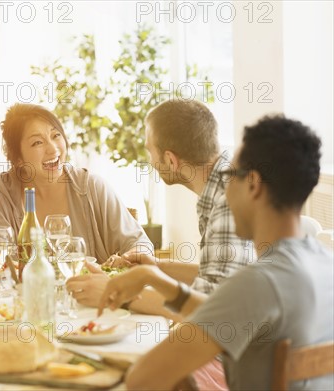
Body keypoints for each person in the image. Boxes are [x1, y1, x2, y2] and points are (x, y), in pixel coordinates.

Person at [98, 115, 333, 390]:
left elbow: (142, 380)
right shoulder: (323, 262)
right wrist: (157, 278)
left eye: (230, 175)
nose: (225, 189)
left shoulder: (259, 283)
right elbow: (234, 314)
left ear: (253, 185)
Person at [68, 99, 254, 318]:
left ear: (170, 160)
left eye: (150, 152)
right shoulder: (221, 183)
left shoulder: (227, 201)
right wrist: (156, 267)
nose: (151, 162)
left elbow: (213, 313)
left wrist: (114, 293)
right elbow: (218, 280)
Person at [0, 103, 153, 263]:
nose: (53, 149)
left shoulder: (92, 187)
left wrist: (125, 260)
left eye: (55, 135)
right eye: (37, 142)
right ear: (18, 158)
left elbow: (141, 245)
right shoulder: (4, 194)